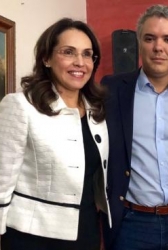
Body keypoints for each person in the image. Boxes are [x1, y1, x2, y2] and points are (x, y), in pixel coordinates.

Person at [100, 4, 168, 250]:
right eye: (150, 38)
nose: (158, 47)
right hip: (130, 224)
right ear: (140, 43)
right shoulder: (112, 90)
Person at [0, 18, 111, 250]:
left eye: (87, 54)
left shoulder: (97, 110)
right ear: (46, 58)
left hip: (86, 230)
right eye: (68, 52)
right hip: (32, 236)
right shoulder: (20, 105)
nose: (80, 62)